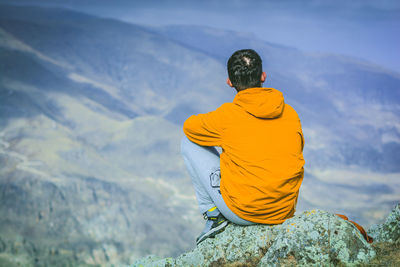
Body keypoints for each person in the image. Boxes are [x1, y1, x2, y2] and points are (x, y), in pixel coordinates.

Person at [181, 49, 305, 245]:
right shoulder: (290, 113)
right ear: (263, 76)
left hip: (244, 212)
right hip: (284, 211)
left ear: (229, 82)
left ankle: (214, 217)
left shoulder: (226, 117)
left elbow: (189, 127)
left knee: (188, 142)